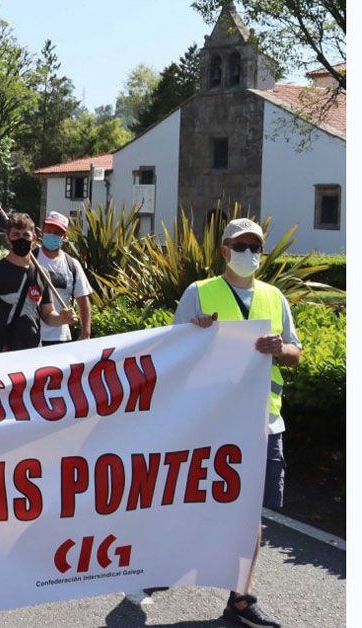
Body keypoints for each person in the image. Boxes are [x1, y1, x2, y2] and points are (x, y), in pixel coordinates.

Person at [170, 217, 300, 628]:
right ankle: (165, 561)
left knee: (251, 513)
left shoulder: (274, 296)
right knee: (198, 501)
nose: (249, 254)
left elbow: (296, 352)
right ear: (224, 250)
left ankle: (240, 599)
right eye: (240, 246)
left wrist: (282, 349)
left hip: (264, 420)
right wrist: (195, 333)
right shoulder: (199, 293)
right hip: (211, 421)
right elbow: (171, 352)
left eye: (255, 247)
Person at [0, 212, 75, 355]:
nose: (21, 239)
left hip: (31, 354)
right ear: (7, 238)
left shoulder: (42, 274)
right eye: (16, 235)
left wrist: (61, 318)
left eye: (26, 235)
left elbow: (47, 313)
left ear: (34, 238)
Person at [35, 211, 92, 345]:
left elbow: (83, 300)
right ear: (42, 230)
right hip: (32, 335)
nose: (52, 235)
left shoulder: (72, 264)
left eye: (57, 233)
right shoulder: (30, 259)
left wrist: (86, 333)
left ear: (64, 237)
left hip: (60, 338)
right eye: (49, 230)